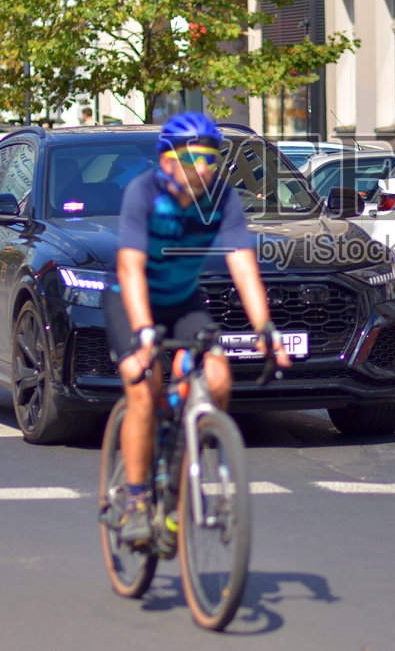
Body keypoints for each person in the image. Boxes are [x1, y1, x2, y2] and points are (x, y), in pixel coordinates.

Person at [107, 112, 289, 545]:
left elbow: (242, 266)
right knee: (143, 389)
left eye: (212, 157)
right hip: (131, 301)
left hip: (183, 301)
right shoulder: (143, 193)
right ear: (167, 160)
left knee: (218, 376)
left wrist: (265, 327)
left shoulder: (222, 199)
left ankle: (178, 474)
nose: (204, 167)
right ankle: (135, 501)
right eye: (194, 157)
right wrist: (144, 332)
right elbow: (130, 268)